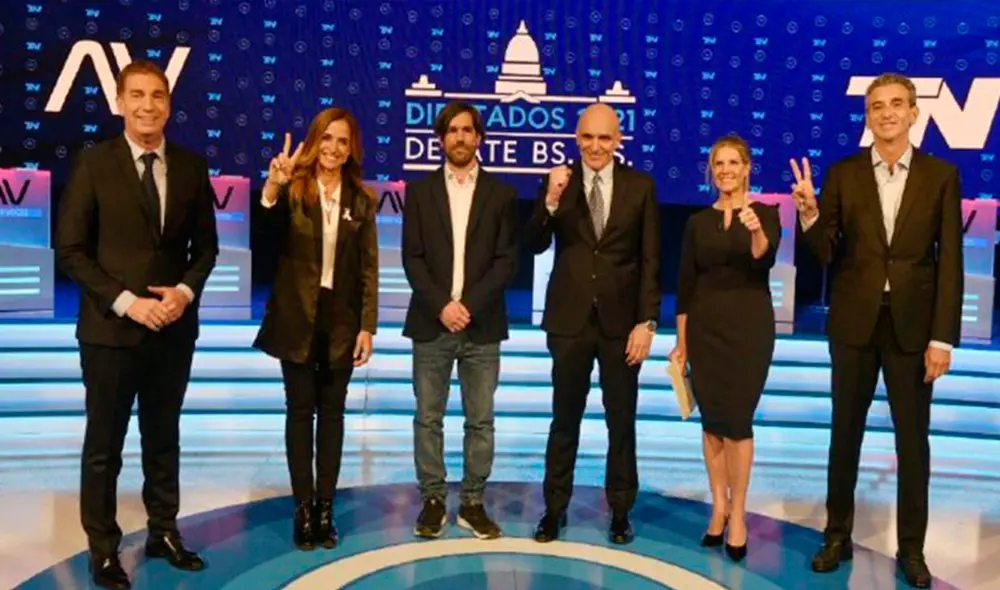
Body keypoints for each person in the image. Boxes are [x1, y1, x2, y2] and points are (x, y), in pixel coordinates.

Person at [793, 73, 963, 589]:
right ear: (866, 117)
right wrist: (809, 215)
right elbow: (825, 252)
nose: (886, 113)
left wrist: (942, 337)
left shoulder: (941, 176)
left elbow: (950, 261)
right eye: (876, 106)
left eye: (896, 105)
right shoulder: (844, 174)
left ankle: (912, 549)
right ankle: (836, 535)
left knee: (913, 444)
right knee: (844, 435)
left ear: (913, 113)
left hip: (913, 330)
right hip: (853, 325)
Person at [55, 60, 218, 590]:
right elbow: (72, 251)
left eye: (158, 96)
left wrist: (184, 292)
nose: (148, 105)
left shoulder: (192, 166)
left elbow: (206, 248)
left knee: (162, 438)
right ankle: (103, 548)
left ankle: (163, 530)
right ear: (120, 102)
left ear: (169, 103)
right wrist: (127, 301)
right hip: (111, 332)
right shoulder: (93, 164)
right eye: (138, 95)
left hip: (173, 330)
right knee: (104, 445)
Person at [524, 103, 661, 545]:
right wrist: (548, 199)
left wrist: (648, 321)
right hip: (569, 322)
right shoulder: (558, 184)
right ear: (576, 139)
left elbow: (649, 260)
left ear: (618, 140)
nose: (596, 147)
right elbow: (533, 242)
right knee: (565, 419)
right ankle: (554, 508)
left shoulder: (640, 187)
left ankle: (620, 510)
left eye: (605, 138)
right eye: (588, 138)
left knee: (622, 421)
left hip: (623, 324)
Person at [253, 108, 378, 550]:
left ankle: (326, 508)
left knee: (333, 415)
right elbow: (263, 238)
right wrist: (272, 187)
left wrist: (368, 327)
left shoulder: (362, 200)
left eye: (343, 141)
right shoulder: (294, 190)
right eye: (327, 139)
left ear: (352, 149)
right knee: (300, 413)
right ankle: (302, 508)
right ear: (314, 141)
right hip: (297, 318)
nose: (334, 149)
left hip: (341, 322)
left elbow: (368, 269)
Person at [402, 101, 518, 540]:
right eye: (452, 130)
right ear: (441, 138)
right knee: (428, 418)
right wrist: (442, 306)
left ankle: (472, 501)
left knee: (480, 420)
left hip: (482, 324)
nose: (460, 138)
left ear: (479, 138)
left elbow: (507, 260)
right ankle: (432, 500)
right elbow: (412, 258)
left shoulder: (502, 194)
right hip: (432, 323)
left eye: (468, 130)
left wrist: (467, 304)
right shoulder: (419, 192)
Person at [668, 134, 780, 562]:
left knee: (737, 422)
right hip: (705, 332)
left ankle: (739, 515)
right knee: (712, 424)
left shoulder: (764, 214)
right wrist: (682, 343)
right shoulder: (697, 222)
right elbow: (686, 285)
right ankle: (718, 507)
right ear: (711, 170)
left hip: (749, 332)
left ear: (747, 167)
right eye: (719, 164)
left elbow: (762, 259)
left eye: (734, 163)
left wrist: (754, 231)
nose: (727, 170)